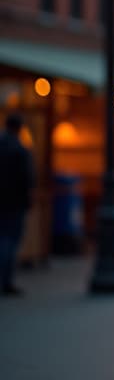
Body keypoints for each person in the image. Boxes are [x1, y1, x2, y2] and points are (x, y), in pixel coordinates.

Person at [0, 114, 34, 296]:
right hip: (15, 203)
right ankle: (6, 281)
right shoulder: (20, 150)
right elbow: (27, 179)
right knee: (9, 241)